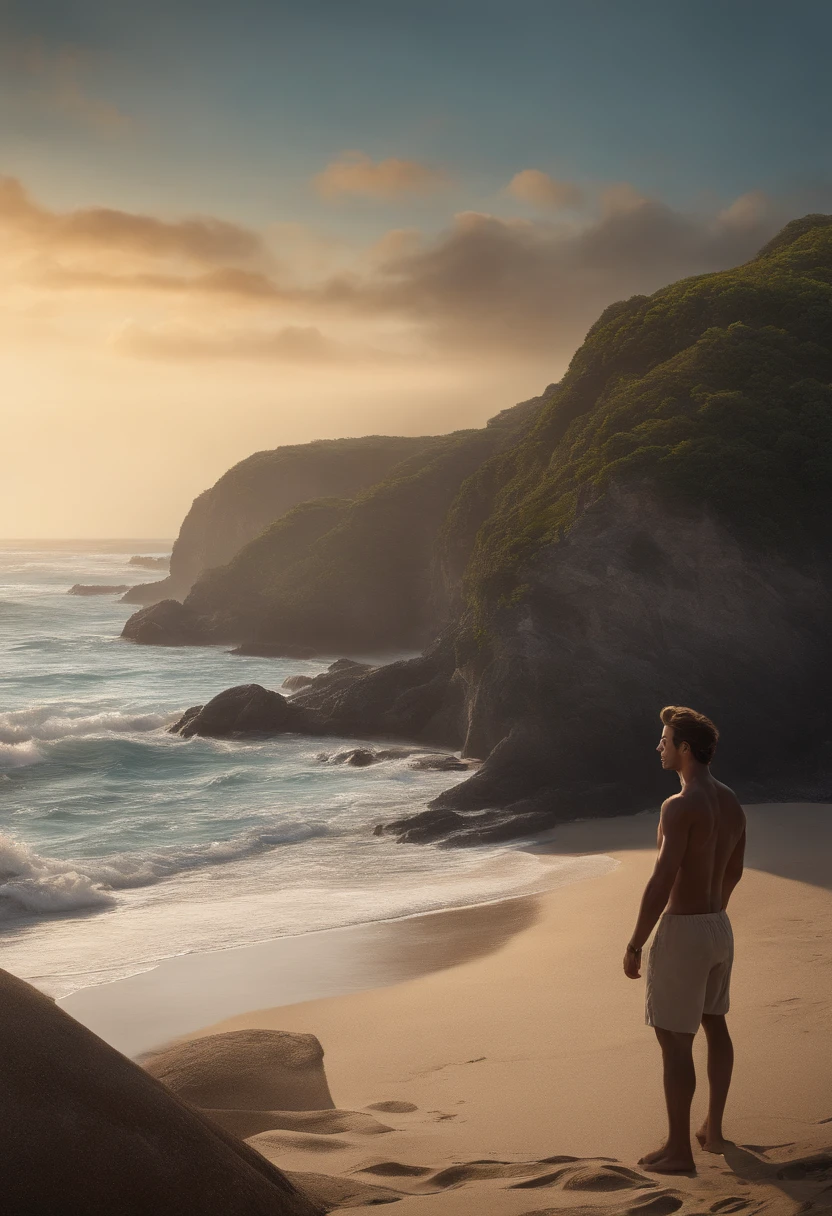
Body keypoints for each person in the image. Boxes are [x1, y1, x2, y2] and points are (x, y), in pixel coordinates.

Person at [623, 705, 746, 1174]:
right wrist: (713, 912)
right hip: (719, 926)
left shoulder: (678, 806)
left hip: (685, 930)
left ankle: (679, 1150)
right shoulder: (731, 802)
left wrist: (636, 942)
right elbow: (734, 869)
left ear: (684, 749)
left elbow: (661, 879)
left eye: (664, 739)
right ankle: (712, 1131)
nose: (659, 746)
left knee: (675, 1040)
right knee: (715, 1023)